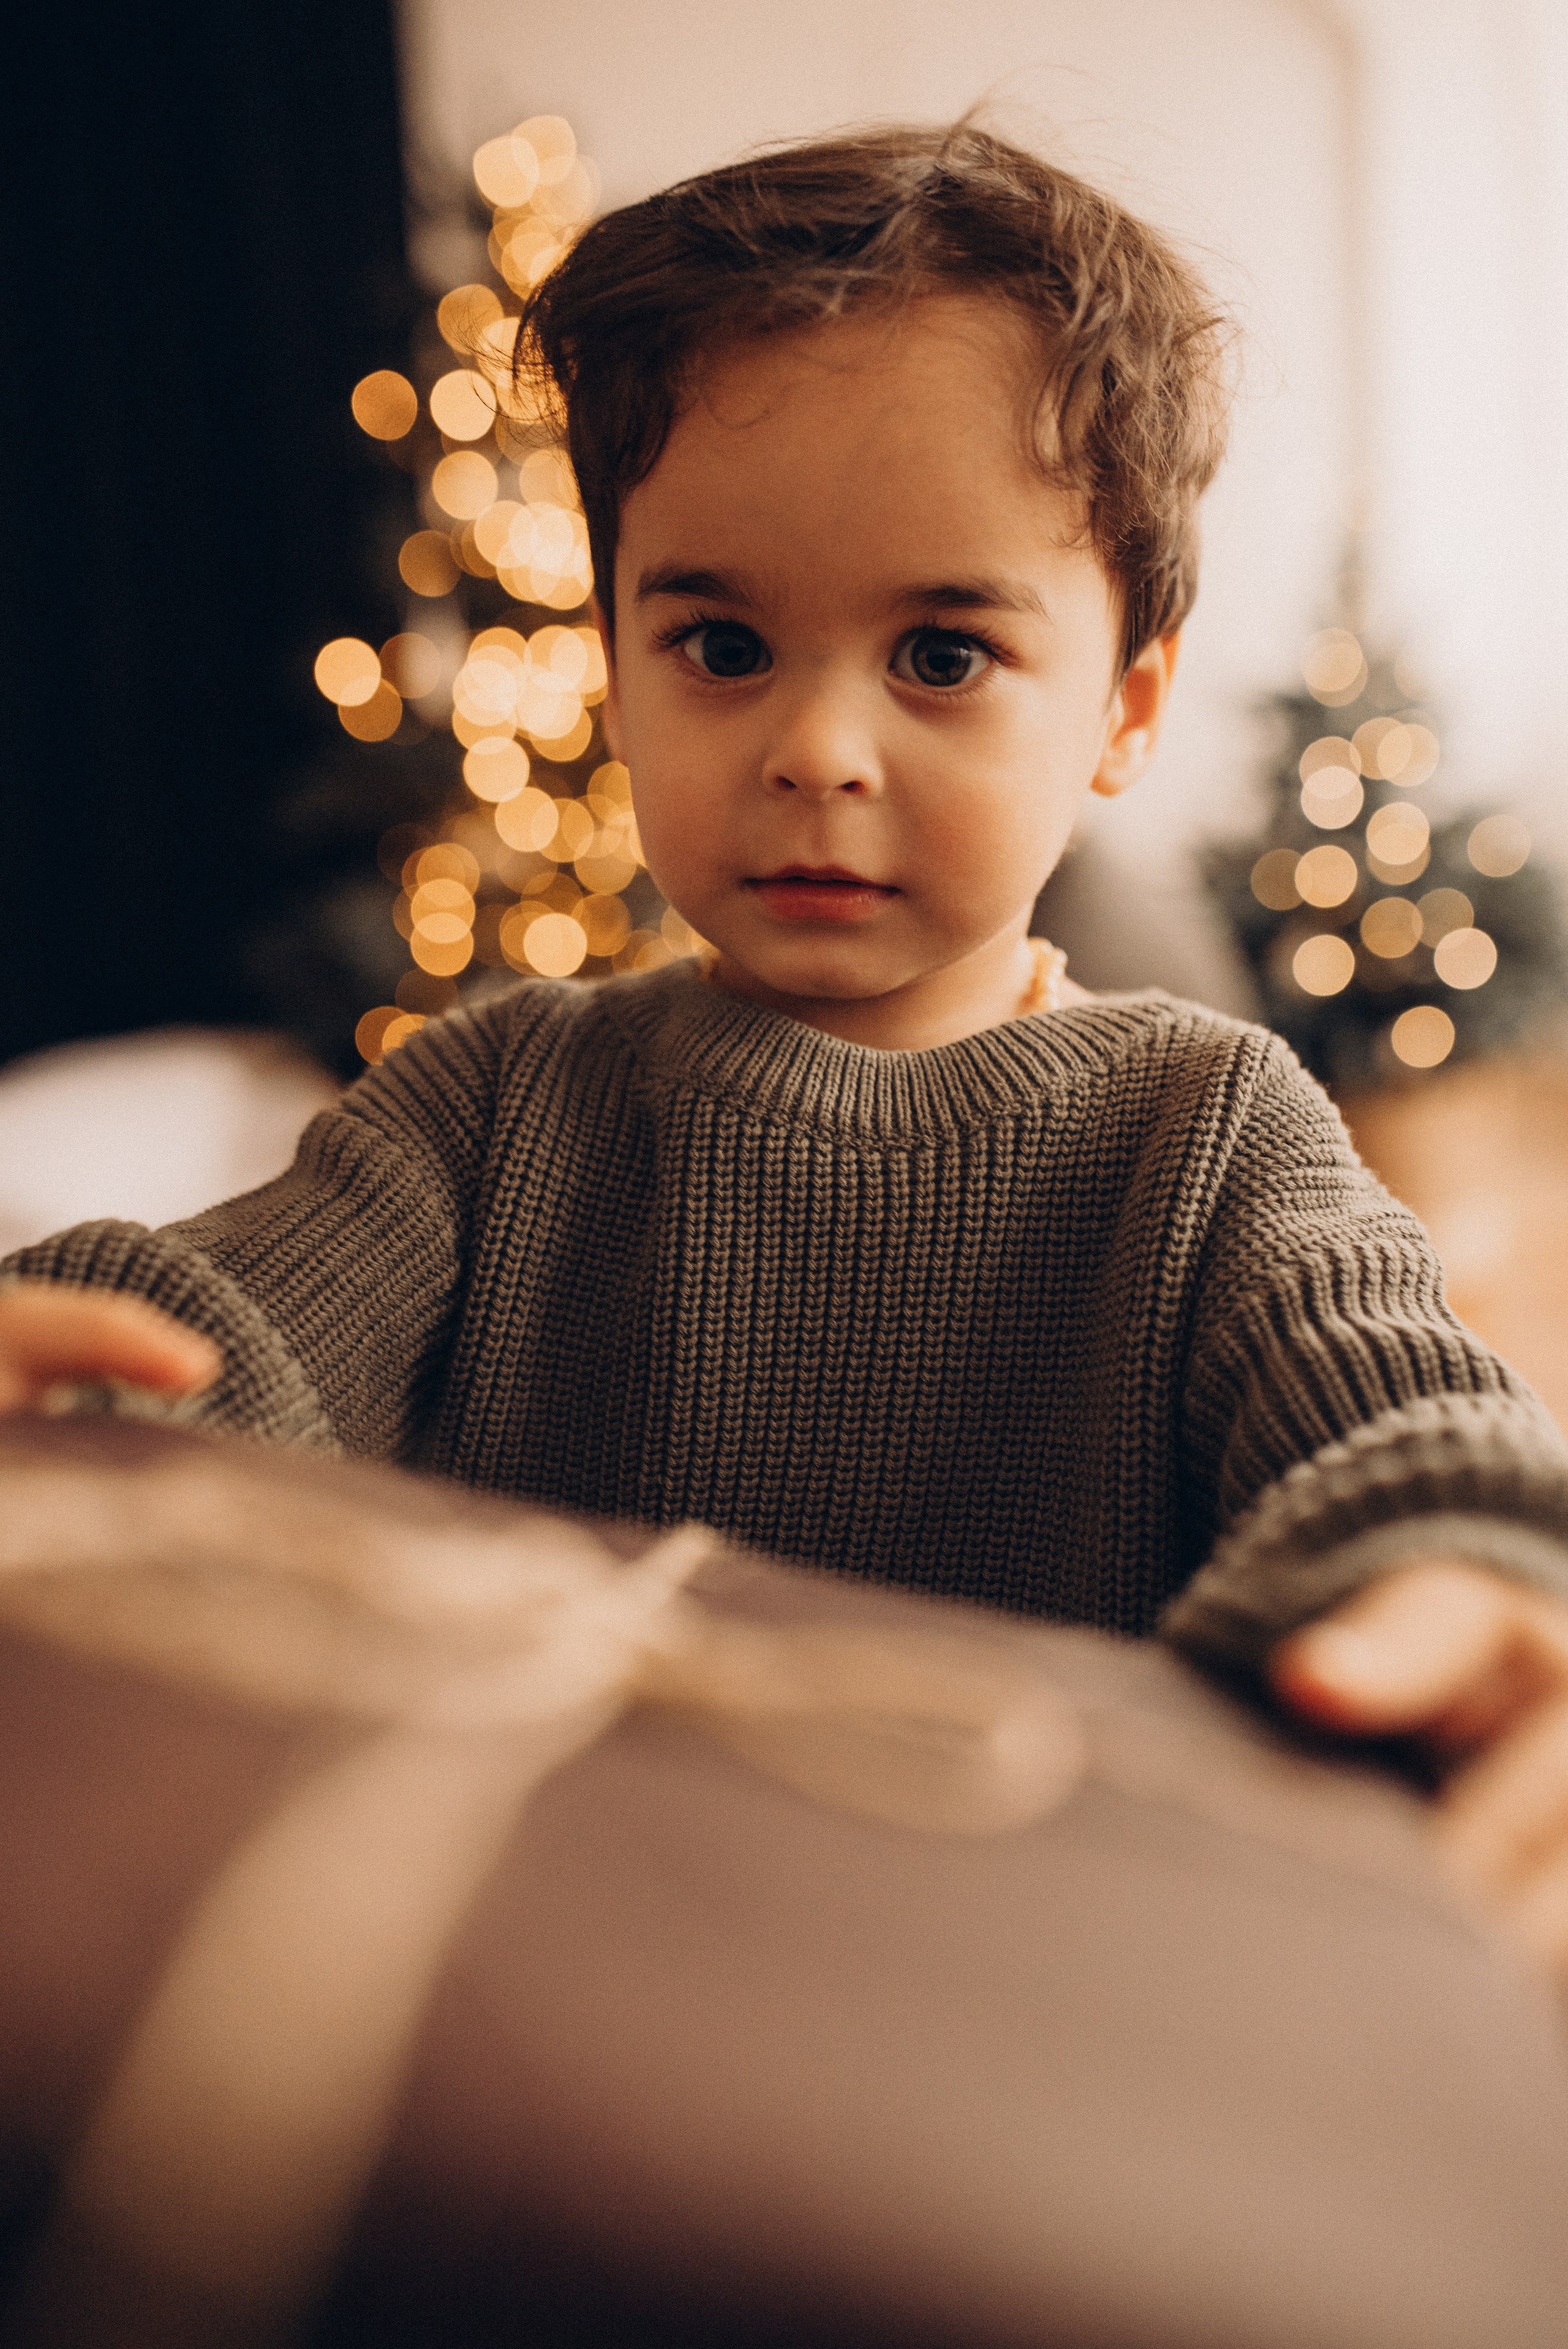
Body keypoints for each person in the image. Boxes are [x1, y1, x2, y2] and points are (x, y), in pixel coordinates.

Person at [4, 121, 1568, 1989]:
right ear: (620, 658)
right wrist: (64, 1384)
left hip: (1016, 2010)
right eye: (725, 640)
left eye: (941, 654)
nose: (819, 745)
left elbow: (1398, 1424)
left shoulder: (1208, 1130)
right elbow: (200, 1334)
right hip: (516, 1987)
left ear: (1124, 709)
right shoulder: (498, 1098)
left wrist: (1477, 1571)